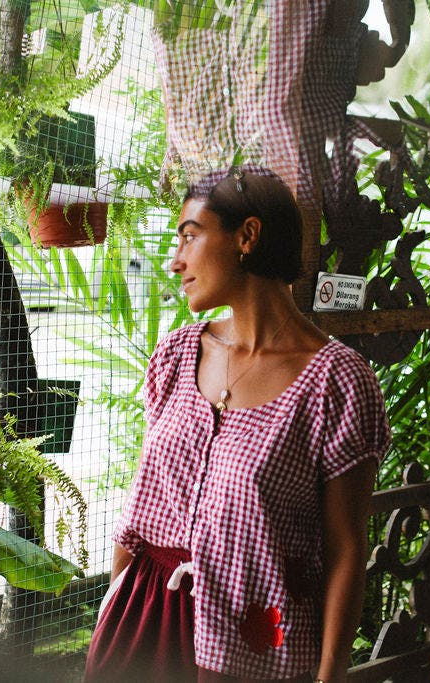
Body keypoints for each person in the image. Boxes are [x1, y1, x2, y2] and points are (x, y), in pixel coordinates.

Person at [84, 166, 391, 682]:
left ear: (247, 236)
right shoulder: (176, 356)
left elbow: (345, 550)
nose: (175, 259)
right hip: (144, 625)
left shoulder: (336, 381)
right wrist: (110, 619)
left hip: (256, 646)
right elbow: (140, 507)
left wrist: (329, 677)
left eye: (189, 235)